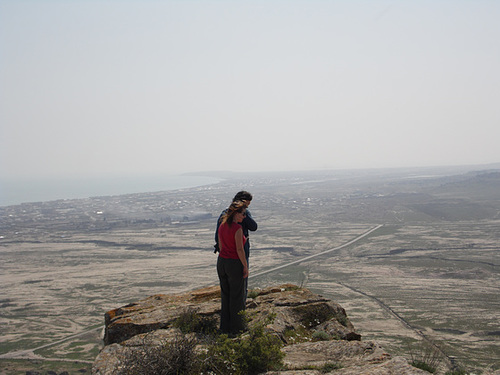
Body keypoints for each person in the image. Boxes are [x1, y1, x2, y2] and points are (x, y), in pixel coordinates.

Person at [214, 191, 257, 300]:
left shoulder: (239, 215)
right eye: (245, 205)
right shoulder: (228, 218)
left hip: (225, 259)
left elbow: (253, 227)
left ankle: (229, 314)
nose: (246, 208)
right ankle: (239, 313)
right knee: (239, 288)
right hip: (237, 257)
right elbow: (219, 239)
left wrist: (244, 213)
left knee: (228, 290)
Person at [217, 200, 248, 335]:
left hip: (222, 262)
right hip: (234, 263)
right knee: (237, 296)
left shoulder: (222, 226)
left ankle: (224, 327)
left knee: (225, 295)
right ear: (236, 214)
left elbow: (221, 246)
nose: (244, 217)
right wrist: (245, 266)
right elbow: (240, 250)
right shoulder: (237, 229)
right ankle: (237, 328)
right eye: (243, 214)